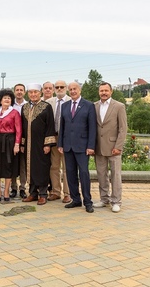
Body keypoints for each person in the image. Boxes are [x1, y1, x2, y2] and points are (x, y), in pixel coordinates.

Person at [58, 82, 97, 213]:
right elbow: (62, 127)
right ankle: (76, 199)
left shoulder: (89, 105)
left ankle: (88, 202)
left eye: (75, 89)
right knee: (70, 174)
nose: (73, 91)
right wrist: (60, 144)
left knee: (84, 174)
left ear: (80, 90)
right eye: (70, 89)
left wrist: (91, 146)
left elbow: (92, 128)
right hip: (68, 146)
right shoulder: (64, 106)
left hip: (83, 147)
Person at [93, 82, 128, 213]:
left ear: (111, 91)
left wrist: (119, 146)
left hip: (114, 147)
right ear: (99, 92)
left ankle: (116, 201)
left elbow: (123, 128)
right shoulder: (94, 106)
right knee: (101, 175)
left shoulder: (119, 106)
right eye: (101, 91)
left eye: (106, 90)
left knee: (115, 175)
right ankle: (104, 199)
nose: (103, 93)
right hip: (99, 147)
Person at [21, 84, 56, 205]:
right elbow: (22, 127)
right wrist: (22, 143)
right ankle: (32, 193)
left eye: (35, 92)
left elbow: (50, 126)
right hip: (28, 145)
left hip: (41, 143)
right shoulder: (24, 107)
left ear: (40, 93)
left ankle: (43, 193)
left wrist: (48, 144)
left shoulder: (46, 107)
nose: (33, 94)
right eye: (30, 92)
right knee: (29, 167)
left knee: (42, 167)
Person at [0, 89, 22, 201]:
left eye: (9, 98)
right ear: (0, 100)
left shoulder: (15, 113)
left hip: (9, 141)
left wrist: (17, 144)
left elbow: (19, 130)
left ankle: (7, 191)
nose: (7, 100)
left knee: (8, 166)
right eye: (5, 98)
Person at [46, 80, 71, 203]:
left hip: (67, 139)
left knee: (67, 167)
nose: (59, 89)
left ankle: (68, 193)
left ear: (66, 88)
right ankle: (55, 191)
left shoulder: (71, 101)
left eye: (62, 87)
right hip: (54, 138)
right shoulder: (49, 102)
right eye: (57, 87)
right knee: (54, 166)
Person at [10, 83, 28, 199]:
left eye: (21, 90)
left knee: (23, 164)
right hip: (12, 139)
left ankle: (22, 188)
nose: (19, 92)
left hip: (25, 138)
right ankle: (13, 187)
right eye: (17, 90)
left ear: (24, 92)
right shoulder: (10, 106)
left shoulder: (28, 105)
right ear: (14, 92)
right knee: (12, 164)